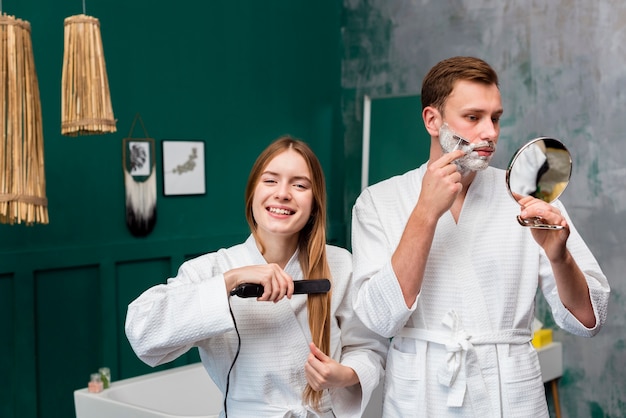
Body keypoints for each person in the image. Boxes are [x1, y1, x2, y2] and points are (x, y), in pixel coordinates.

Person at [351, 56, 610, 417]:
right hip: (420, 396)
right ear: (432, 120)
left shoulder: (528, 197)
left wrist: (559, 256)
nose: (490, 132)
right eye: (473, 118)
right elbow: (379, 319)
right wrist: (425, 213)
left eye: (496, 118)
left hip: (510, 396)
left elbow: (589, 320)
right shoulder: (378, 202)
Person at [125, 135, 387, 418]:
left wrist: (345, 374)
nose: (283, 193)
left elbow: (369, 347)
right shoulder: (214, 269)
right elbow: (142, 331)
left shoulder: (340, 264)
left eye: (299, 185)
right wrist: (231, 280)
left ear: (314, 203)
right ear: (252, 193)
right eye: (270, 181)